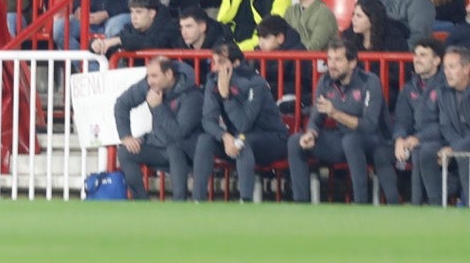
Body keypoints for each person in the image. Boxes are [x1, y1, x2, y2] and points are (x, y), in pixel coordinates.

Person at [288, 39, 385, 204]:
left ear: (352, 62)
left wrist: (335, 113)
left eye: (338, 60)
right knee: (296, 141)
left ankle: (361, 204)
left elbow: (369, 126)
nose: (331, 65)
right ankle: (300, 204)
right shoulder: (325, 82)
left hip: (371, 141)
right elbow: (316, 118)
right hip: (340, 140)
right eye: (329, 59)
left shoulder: (370, 81)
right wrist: (311, 133)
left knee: (351, 141)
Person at [193, 43, 289, 202]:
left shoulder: (255, 83)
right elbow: (208, 120)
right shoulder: (213, 81)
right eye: (214, 62)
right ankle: (197, 201)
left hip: (272, 139)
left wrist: (226, 97)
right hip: (235, 138)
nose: (216, 68)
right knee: (205, 140)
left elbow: (243, 124)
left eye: (221, 62)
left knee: (242, 142)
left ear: (236, 63)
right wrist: (224, 136)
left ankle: (245, 200)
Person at [114, 57, 202, 201]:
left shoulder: (192, 95)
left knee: (174, 147)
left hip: (187, 151)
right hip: (159, 145)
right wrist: (126, 136)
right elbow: (121, 104)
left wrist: (158, 107)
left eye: (154, 76)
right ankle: (141, 202)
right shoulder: (150, 85)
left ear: (168, 74)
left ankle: (179, 203)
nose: (150, 81)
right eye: (148, 76)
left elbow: (178, 134)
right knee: (125, 151)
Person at [374, 41, 446, 206]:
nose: (417, 59)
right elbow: (402, 119)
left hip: (437, 141)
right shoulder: (408, 88)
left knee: (420, 151)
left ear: (437, 61)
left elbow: (446, 124)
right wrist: (399, 138)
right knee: (381, 153)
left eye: (423, 55)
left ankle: (421, 204)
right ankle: (394, 204)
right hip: (411, 141)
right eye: (416, 55)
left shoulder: (445, 86)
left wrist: (418, 138)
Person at [420, 46, 470, 207]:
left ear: (467, 68)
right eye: (445, 67)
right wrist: (454, 147)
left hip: (464, 145)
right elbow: (445, 126)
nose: (447, 72)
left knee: (464, 157)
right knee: (427, 151)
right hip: (457, 143)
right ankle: (435, 205)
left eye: (452, 67)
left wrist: (456, 148)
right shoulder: (443, 92)